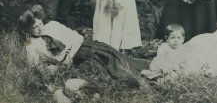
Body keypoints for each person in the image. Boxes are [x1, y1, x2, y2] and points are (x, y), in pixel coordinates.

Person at [18, 5, 149, 82]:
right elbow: (34, 66)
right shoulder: (32, 46)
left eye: (40, 23)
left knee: (114, 59)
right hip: (76, 62)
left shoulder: (53, 25)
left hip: (86, 48)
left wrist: (69, 53)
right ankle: (135, 78)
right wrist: (47, 68)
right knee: (108, 74)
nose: (40, 28)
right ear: (27, 30)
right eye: (35, 27)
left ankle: (147, 72)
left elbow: (77, 38)